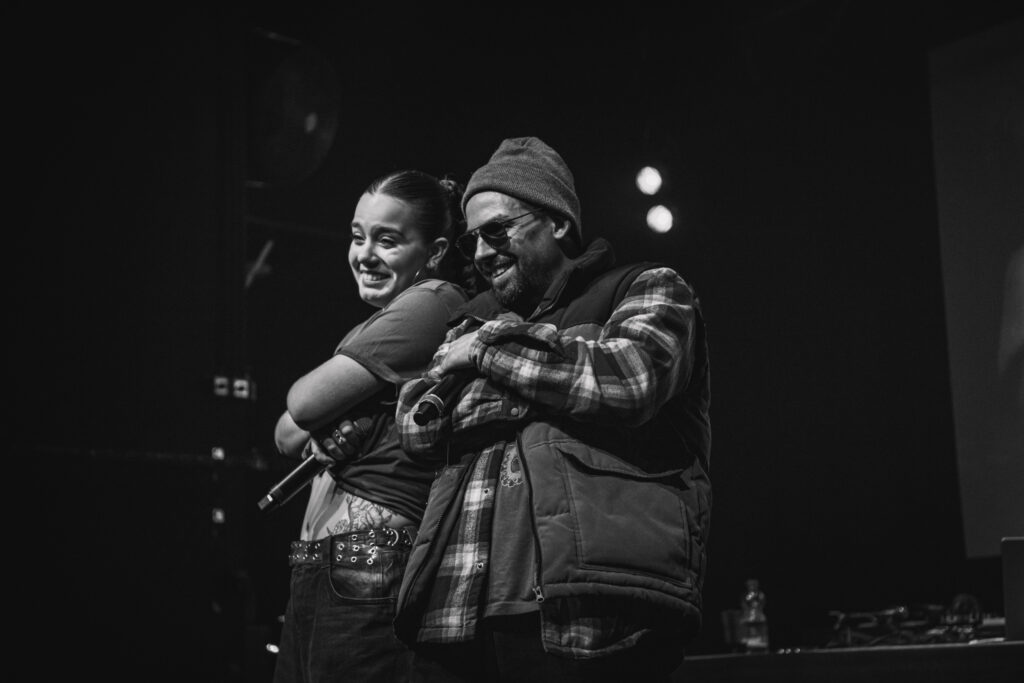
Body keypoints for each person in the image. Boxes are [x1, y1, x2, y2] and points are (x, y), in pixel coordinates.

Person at [391, 137, 712, 682]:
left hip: (585, 608)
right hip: (451, 612)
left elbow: (628, 381)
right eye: (472, 240)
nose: (482, 253)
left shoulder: (647, 287)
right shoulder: (469, 321)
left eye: (497, 231)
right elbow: (418, 425)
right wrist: (552, 380)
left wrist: (487, 353)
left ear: (558, 222)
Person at [270, 169, 478, 683]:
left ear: (434, 251)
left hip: (367, 560)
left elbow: (302, 405)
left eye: (387, 240)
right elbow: (286, 434)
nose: (364, 254)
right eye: (357, 236)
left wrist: (322, 416)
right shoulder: (383, 321)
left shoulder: (433, 301)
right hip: (323, 563)